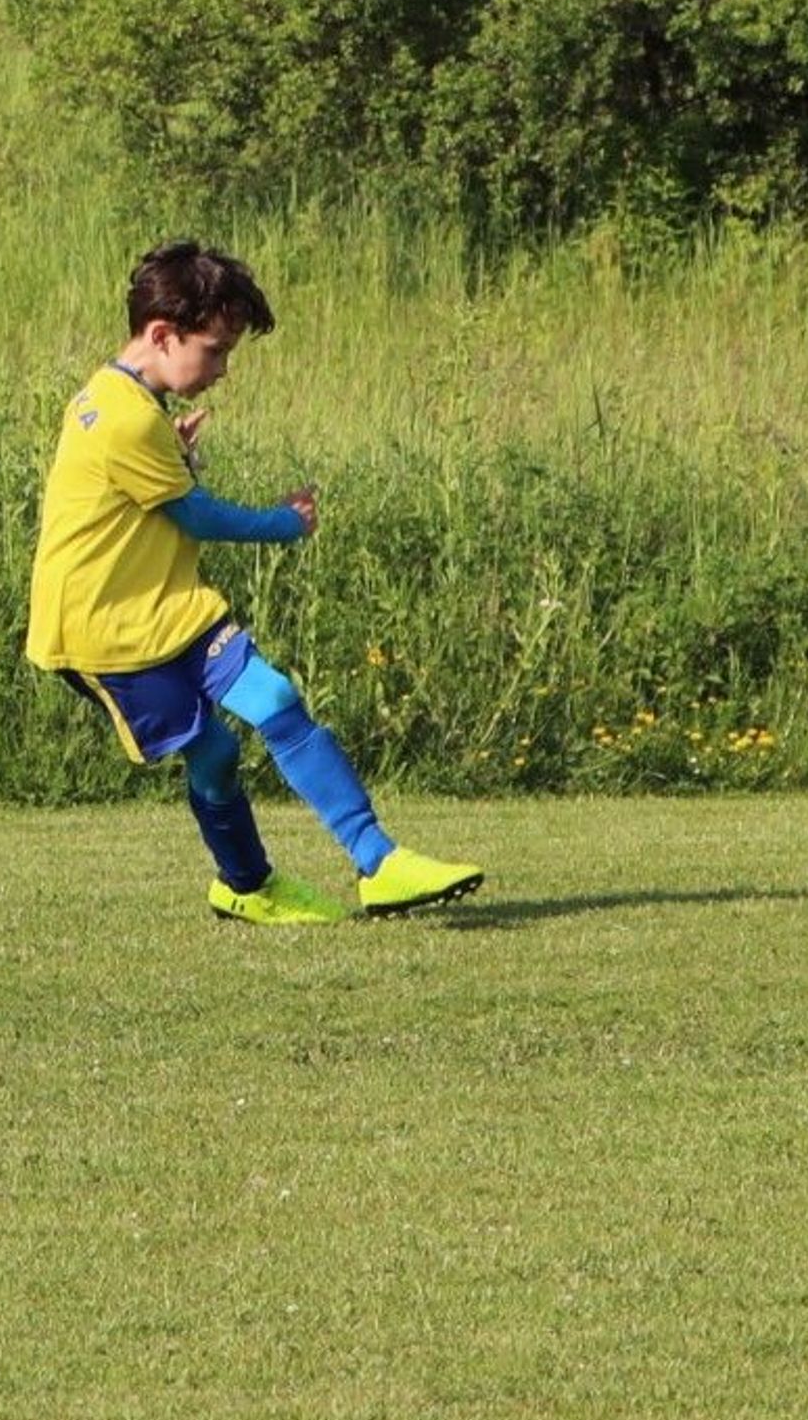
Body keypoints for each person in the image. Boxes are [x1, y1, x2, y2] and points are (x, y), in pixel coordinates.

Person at [27, 240, 483, 925]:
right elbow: (197, 517)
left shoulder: (119, 397)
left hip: (168, 609)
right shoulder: (126, 417)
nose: (222, 369)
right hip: (106, 632)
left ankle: (380, 862)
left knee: (274, 697)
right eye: (214, 350)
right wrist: (285, 523)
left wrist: (175, 455)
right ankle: (246, 884)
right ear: (162, 334)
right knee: (215, 751)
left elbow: (137, 496)